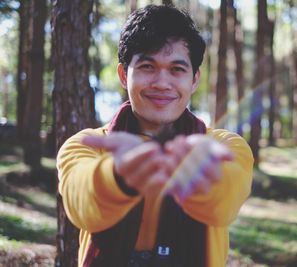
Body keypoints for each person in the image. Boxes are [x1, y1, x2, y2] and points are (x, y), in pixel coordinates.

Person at [57, 4, 253, 267]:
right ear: (124, 75)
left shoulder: (225, 146)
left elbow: (226, 201)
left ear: (194, 79)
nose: (162, 83)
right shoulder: (87, 145)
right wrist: (118, 174)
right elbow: (81, 204)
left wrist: (201, 172)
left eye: (176, 69)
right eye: (148, 66)